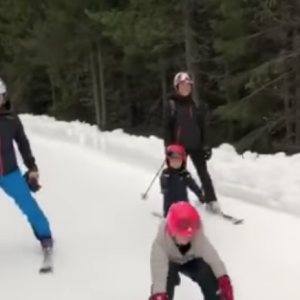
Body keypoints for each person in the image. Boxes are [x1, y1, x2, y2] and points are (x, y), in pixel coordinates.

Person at [0, 78, 53, 250]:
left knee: (28, 204)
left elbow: (22, 143)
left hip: (9, 172)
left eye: (0, 96)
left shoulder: (11, 119)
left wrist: (31, 167)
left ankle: (45, 236)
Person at [149, 201, 234, 300]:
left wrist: (223, 278)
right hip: (170, 264)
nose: (189, 236)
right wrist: (158, 293)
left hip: (191, 261)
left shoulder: (197, 237)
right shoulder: (161, 242)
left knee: (205, 271)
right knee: (166, 280)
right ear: (173, 232)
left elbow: (213, 257)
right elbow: (159, 270)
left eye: (191, 232)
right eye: (183, 234)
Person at [163, 71, 220, 213]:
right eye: (182, 86)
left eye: (188, 86)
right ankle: (186, 199)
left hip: (196, 145)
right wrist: (169, 146)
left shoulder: (194, 105)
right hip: (178, 147)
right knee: (180, 174)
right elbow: (166, 128)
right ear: (177, 87)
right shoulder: (171, 105)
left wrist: (206, 144)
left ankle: (211, 200)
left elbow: (202, 126)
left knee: (204, 173)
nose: (186, 88)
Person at [160, 143, 205, 217]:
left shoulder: (184, 174)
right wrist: (164, 187)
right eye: (173, 162)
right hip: (169, 203)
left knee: (185, 215)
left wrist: (200, 195)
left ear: (183, 161)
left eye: (178, 162)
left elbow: (192, 185)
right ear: (168, 161)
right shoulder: (166, 173)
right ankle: (167, 220)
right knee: (169, 215)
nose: (175, 164)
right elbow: (163, 183)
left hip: (183, 202)